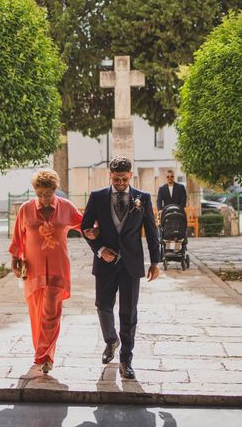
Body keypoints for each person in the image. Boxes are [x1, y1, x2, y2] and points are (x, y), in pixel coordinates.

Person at [81, 157, 160, 380]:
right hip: (105, 264)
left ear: (130, 176)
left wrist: (155, 262)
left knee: (129, 313)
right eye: (116, 179)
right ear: (110, 176)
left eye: (124, 179)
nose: (120, 182)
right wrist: (99, 249)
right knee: (103, 307)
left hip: (131, 264)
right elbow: (85, 227)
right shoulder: (97, 197)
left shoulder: (142, 198)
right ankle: (111, 340)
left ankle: (126, 359)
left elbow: (152, 232)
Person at [9, 169, 83, 374]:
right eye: (39, 194)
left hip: (58, 266)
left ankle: (45, 356)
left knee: (51, 312)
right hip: (33, 268)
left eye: (47, 194)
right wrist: (15, 258)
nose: (43, 198)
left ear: (55, 190)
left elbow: (84, 225)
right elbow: (18, 236)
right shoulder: (25, 209)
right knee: (36, 313)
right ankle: (42, 352)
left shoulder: (66, 207)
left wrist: (97, 229)